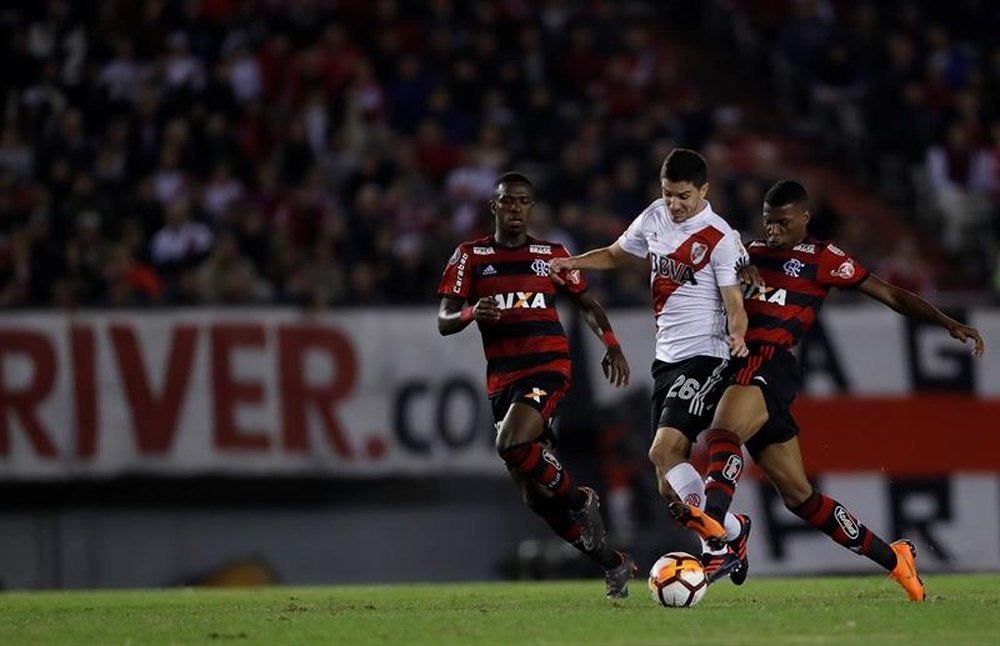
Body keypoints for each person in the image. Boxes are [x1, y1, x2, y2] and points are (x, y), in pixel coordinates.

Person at [670, 179, 987, 601]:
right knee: (800, 497)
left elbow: (890, 293)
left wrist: (947, 321)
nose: (773, 231)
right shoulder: (749, 253)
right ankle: (895, 560)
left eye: (782, 222)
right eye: (768, 222)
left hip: (770, 362)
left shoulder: (823, 258)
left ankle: (716, 535)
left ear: (804, 217)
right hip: (737, 364)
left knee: (723, 434)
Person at [549, 148, 753, 584]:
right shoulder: (655, 216)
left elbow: (735, 302)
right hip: (667, 359)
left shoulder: (719, 236)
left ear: (704, 191)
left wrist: (737, 333)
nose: (674, 204)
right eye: (667, 194)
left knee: (660, 451)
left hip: (707, 354)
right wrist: (572, 262)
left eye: (682, 196)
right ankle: (735, 531)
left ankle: (715, 546)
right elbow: (614, 254)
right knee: (667, 486)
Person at [437, 172, 637, 598]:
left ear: (531, 208)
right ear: (494, 206)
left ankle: (583, 499)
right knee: (534, 497)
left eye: (523, 202)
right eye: (507, 202)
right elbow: (444, 320)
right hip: (502, 381)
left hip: (548, 368)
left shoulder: (552, 255)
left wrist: (612, 345)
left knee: (510, 443)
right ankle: (613, 563)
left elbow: (587, 303)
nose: (515, 209)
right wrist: (472, 312)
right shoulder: (469, 256)